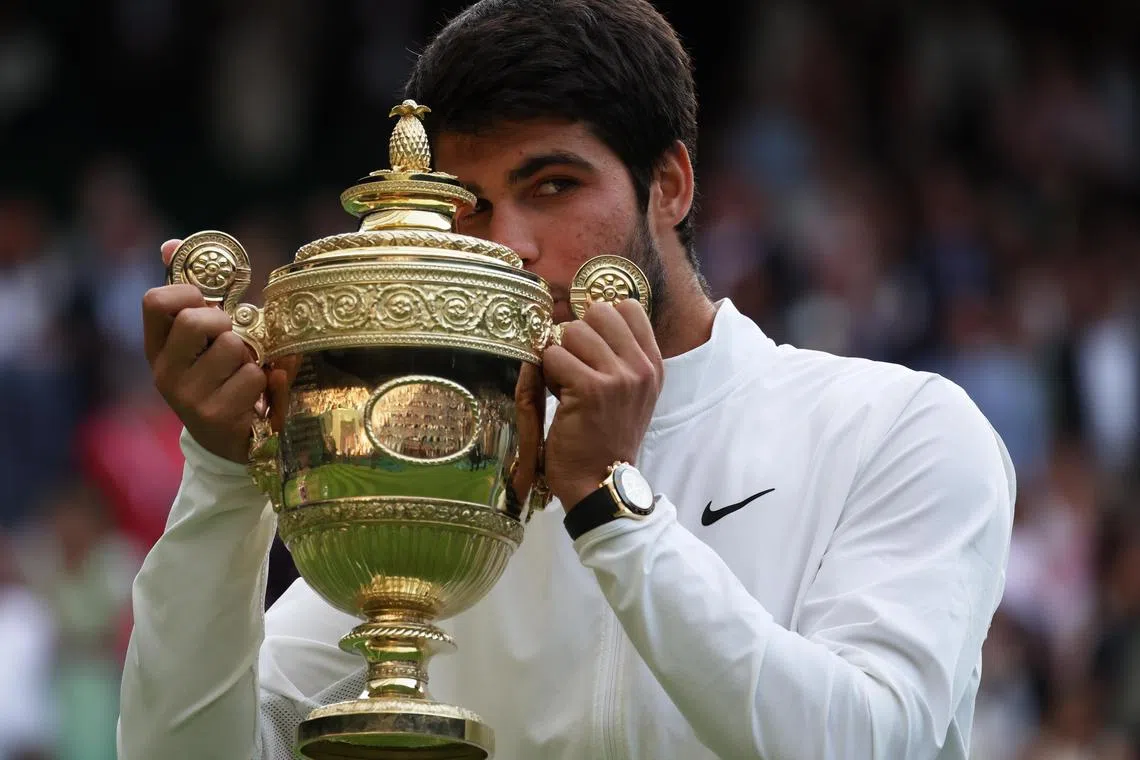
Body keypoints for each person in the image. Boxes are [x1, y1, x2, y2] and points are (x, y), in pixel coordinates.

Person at [119, 1, 1016, 758]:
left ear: (669, 185)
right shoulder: (452, 476)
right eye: (466, 208)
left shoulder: (900, 427)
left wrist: (608, 511)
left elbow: (868, 741)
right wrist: (225, 477)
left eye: (551, 185)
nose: (505, 244)